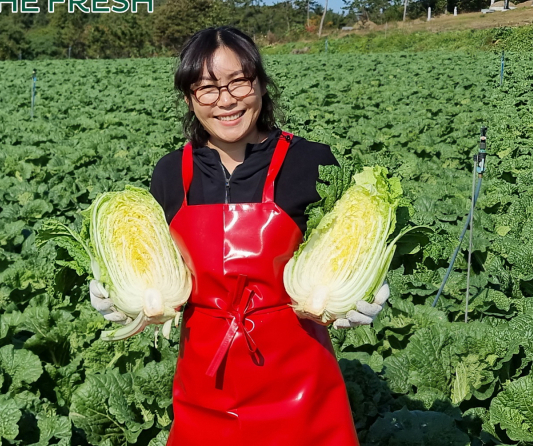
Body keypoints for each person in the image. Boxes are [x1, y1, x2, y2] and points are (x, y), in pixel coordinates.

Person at [90, 26, 389, 445]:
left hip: (300, 387)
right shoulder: (169, 173)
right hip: (204, 388)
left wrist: (365, 284)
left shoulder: (311, 161)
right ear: (189, 98)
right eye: (206, 88)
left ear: (262, 85)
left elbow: (345, 241)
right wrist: (118, 289)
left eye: (239, 82)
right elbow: (155, 261)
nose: (225, 100)